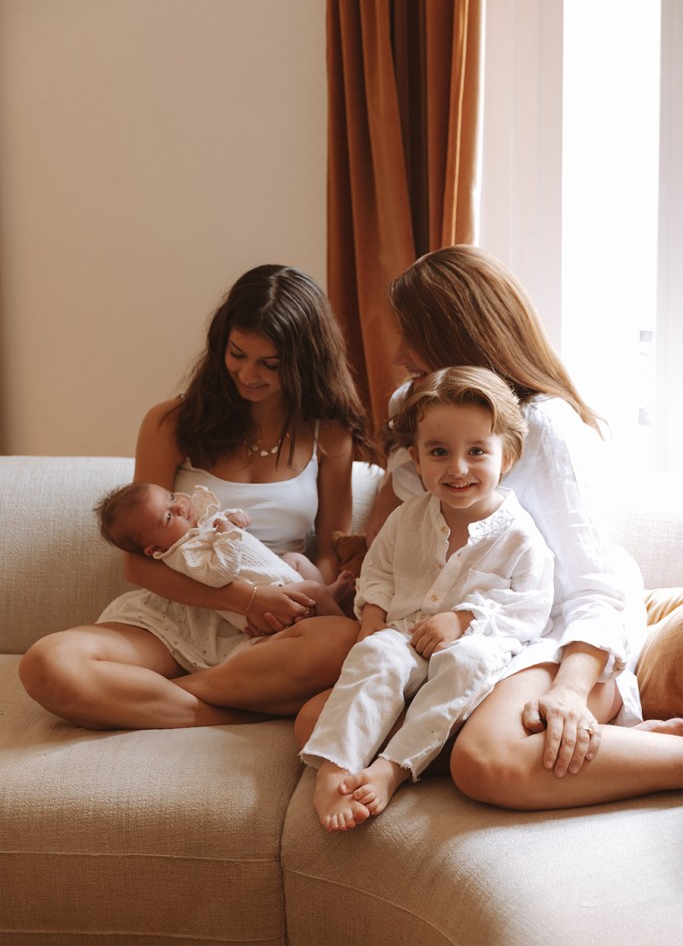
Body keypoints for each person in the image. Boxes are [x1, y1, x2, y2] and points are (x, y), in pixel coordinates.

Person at [295, 246, 683, 811]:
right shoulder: (422, 406)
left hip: (548, 628)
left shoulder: (543, 426)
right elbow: (396, 532)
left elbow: (593, 587)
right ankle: (614, 749)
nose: (400, 354)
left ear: (459, 334)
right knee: (314, 728)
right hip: (451, 638)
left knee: (485, 762)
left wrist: (571, 691)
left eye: (413, 336)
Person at [20, 264, 375, 730]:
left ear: (304, 362)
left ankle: (161, 699)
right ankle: (225, 707)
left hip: (274, 627)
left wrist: (296, 603)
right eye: (237, 354)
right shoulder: (172, 424)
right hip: (177, 614)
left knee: (344, 642)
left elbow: (327, 552)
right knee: (47, 663)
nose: (248, 375)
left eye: (270, 364)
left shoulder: (328, 434)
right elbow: (139, 562)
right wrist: (246, 600)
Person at [301, 367, 555, 831]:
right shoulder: (406, 519)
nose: (457, 468)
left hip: (475, 645)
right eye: (439, 453)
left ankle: (391, 768)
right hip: (404, 634)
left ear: (508, 455)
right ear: (416, 460)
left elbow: (530, 608)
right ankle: (335, 767)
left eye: (477, 451)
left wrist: (463, 619)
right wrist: (373, 616)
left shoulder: (519, 534)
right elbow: (377, 572)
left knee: (465, 664)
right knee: (375, 653)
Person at [94, 480, 355, 632]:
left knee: (295, 559)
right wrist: (229, 534)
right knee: (312, 590)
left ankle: (327, 597)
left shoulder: (195, 529)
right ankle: (348, 633)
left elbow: (220, 522)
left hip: (276, 573)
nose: (180, 506)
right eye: (169, 516)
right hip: (267, 596)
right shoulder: (184, 555)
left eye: (171, 497)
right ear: (154, 549)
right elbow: (220, 573)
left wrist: (232, 517)